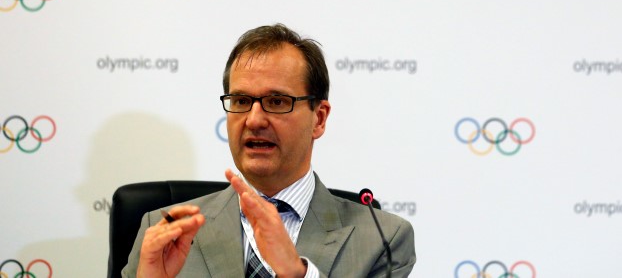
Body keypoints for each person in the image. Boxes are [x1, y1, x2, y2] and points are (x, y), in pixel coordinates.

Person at [122, 24, 415, 277]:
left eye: (276, 101)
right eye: (240, 101)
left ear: (319, 118)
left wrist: (298, 274)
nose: (254, 119)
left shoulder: (382, 240)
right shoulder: (163, 232)